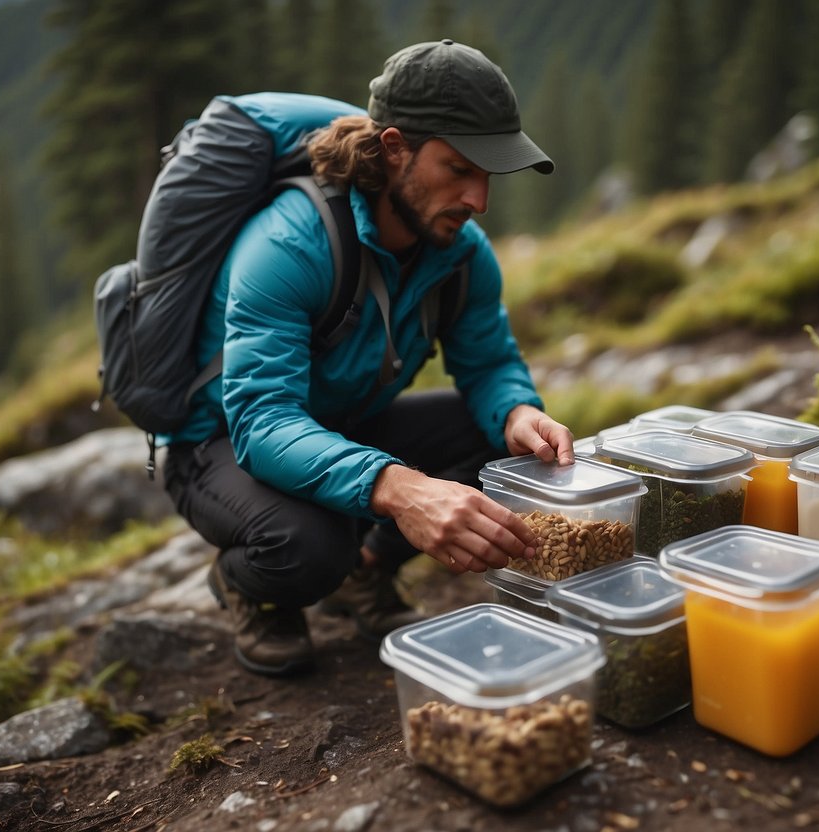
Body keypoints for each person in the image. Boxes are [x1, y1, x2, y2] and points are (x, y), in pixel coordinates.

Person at [162, 39, 575, 677]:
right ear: (393, 149)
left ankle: (368, 571)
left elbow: (488, 364)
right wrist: (400, 490)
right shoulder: (289, 245)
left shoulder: (460, 253)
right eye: (460, 168)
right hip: (218, 444)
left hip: (337, 423)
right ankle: (250, 584)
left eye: (489, 175)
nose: (480, 200)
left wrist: (518, 411)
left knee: (505, 446)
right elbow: (263, 422)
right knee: (309, 547)